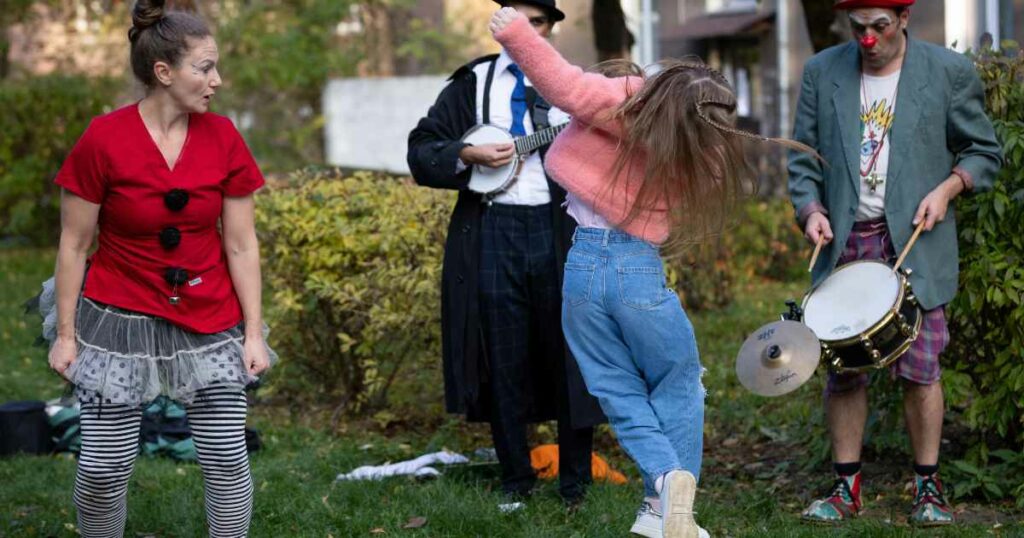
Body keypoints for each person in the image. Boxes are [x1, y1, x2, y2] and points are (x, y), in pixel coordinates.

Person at [489, 7, 815, 538]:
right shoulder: (700, 150)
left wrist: (516, 31)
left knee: (614, 387)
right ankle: (667, 506)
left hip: (583, 265)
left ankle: (662, 487)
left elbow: (561, 82)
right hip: (639, 269)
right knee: (679, 380)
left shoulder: (625, 101)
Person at [41, 0, 276, 535]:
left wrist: (253, 333)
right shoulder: (103, 139)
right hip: (116, 314)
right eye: (205, 67)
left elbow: (241, 246)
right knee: (102, 467)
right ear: (163, 72)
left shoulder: (224, 138)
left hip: (210, 313)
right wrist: (68, 335)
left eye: (215, 66)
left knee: (226, 461)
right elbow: (74, 245)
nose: (217, 79)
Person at [788, 0, 1002, 526]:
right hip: (846, 242)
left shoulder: (948, 72)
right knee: (843, 372)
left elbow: (983, 152)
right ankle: (846, 488)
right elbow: (802, 159)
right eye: (857, 28)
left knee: (921, 369)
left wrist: (949, 189)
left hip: (916, 243)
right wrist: (811, 209)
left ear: (904, 18)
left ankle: (928, 487)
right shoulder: (821, 72)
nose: (869, 39)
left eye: (880, 27)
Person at [406, 0, 604, 507]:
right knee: (502, 353)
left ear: (549, 30)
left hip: (560, 230)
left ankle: (575, 483)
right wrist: (465, 154)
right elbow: (422, 148)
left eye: (536, 24)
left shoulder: (575, 85)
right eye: (518, 22)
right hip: (492, 230)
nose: (526, 33)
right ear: (499, 29)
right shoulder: (473, 84)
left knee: (571, 355)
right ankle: (514, 478)